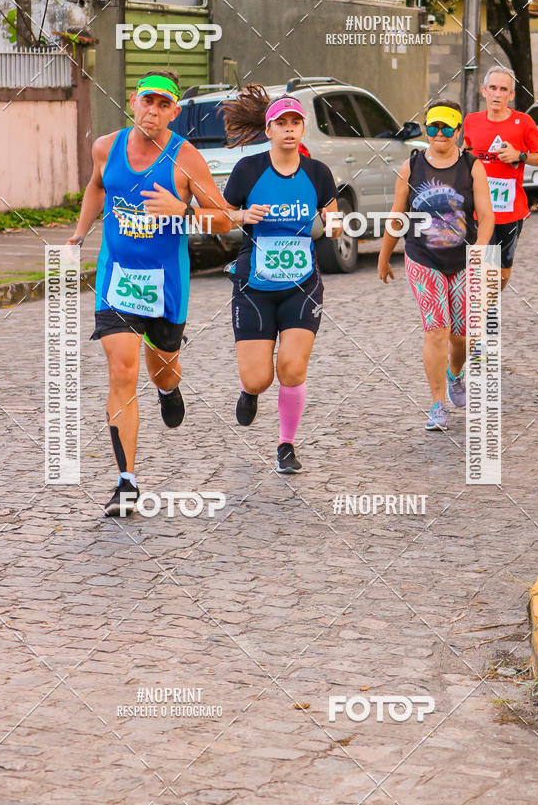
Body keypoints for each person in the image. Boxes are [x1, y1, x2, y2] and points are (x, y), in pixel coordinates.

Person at [68, 71, 234, 516]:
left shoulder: (186, 159)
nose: (153, 111)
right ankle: (126, 482)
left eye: (164, 105)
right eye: (148, 101)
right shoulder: (105, 147)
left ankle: (168, 388)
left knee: (161, 370)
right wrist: (81, 232)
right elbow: (98, 185)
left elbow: (223, 219)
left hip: (166, 286)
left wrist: (182, 209)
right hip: (116, 281)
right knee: (122, 370)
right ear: (133, 102)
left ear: (174, 112)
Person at [220, 84, 341, 473]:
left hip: (301, 284)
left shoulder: (318, 173)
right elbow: (220, 219)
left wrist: (335, 224)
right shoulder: (248, 170)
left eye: (296, 122)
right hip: (254, 285)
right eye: (281, 123)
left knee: (291, 367)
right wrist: (242, 216)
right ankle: (249, 391)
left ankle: (286, 445)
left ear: (303, 129)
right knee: (259, 379)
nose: (289, 129)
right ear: (268, 130)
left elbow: (334, 216)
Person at [377, 100, 494, 431]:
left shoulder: (472, 167)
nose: (439, 133)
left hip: (462, 259)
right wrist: (384, 256)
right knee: (437, 329)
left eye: (446, 128)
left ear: (458, 131)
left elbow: (486, 217)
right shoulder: (411, 167)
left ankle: (454, 375)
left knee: (462, 338)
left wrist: (479, 253)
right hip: (422, 257)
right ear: (426, 129)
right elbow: (397, 215)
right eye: (433, 127)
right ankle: (437, 404)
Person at [463, 66, 538, 291]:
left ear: (511, 95)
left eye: (503, 89)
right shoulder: (471, 121)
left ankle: (491, 301)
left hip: (510, 209)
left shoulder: (524, 122)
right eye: (493, 88)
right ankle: (483, 313)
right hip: (479, 208)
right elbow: (466, 152)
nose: (497, 94)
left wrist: (519, 156)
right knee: (484, 264)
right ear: (484, 91)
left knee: (502, 270)